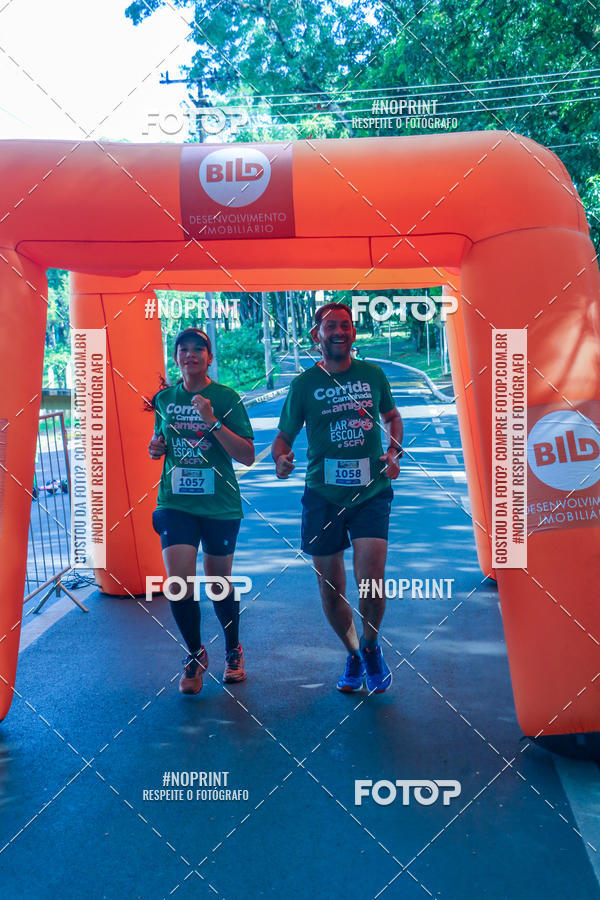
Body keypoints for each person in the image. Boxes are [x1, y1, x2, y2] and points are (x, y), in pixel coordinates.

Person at [271, 302, 403, 693]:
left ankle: (371, 645)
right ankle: (353, 653)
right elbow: (283, 437)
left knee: (371, 584)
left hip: (370, 493)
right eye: (331, 326)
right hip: (322, 497)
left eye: (346, 325)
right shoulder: (304, 385)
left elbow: (392, 417)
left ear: (353, 333)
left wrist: (394, 451)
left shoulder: (372, 375)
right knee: (331, 592)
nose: (339, 332)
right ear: (317, 335)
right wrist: (281, 459)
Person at [148, 328, 255, 694]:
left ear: (210, 357)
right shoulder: (165, 399)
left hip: (219, 505)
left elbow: (247, 455)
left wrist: (212, 420)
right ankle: (195, 654)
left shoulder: (225, 397)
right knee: (178, 583)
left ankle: (233, 650)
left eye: (198, 349)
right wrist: (155, 447)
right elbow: (159, 442)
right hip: (175, 503)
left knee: (218, 582)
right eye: (184, 349)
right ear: (176, 357)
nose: (190, 354)